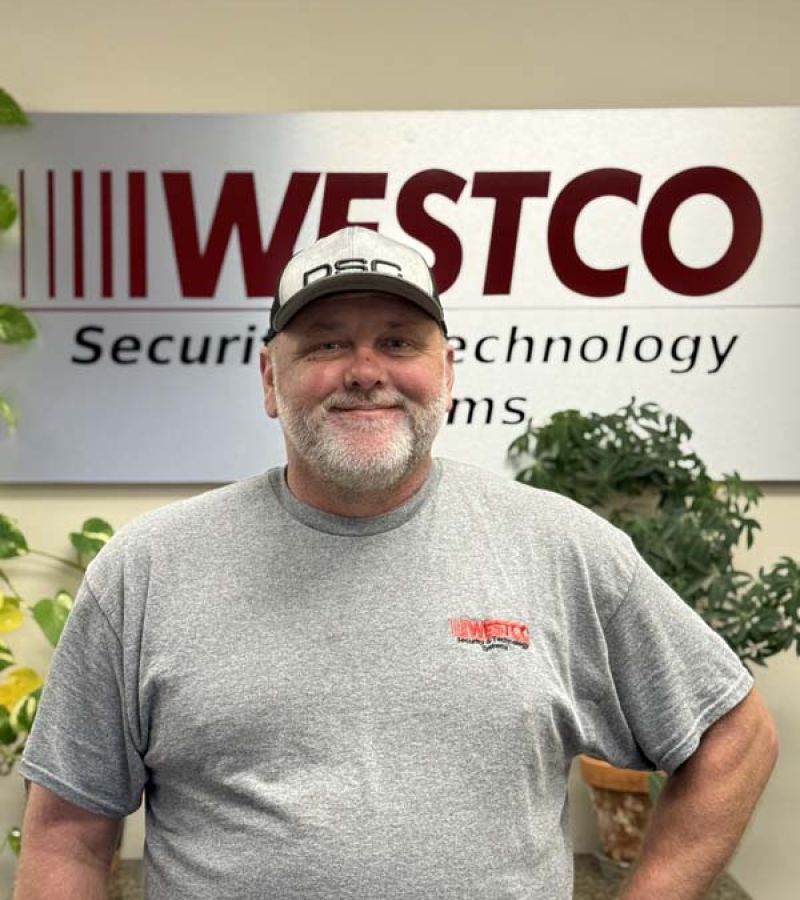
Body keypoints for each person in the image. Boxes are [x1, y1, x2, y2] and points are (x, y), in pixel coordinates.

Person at [15, 227, 777, 900]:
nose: (364, 369)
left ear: (447, 371)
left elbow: (736, 740)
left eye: (399, 341)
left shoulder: (562, 549)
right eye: (325, 342)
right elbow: (66, 834)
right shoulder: (146, 570)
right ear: (269, 380)